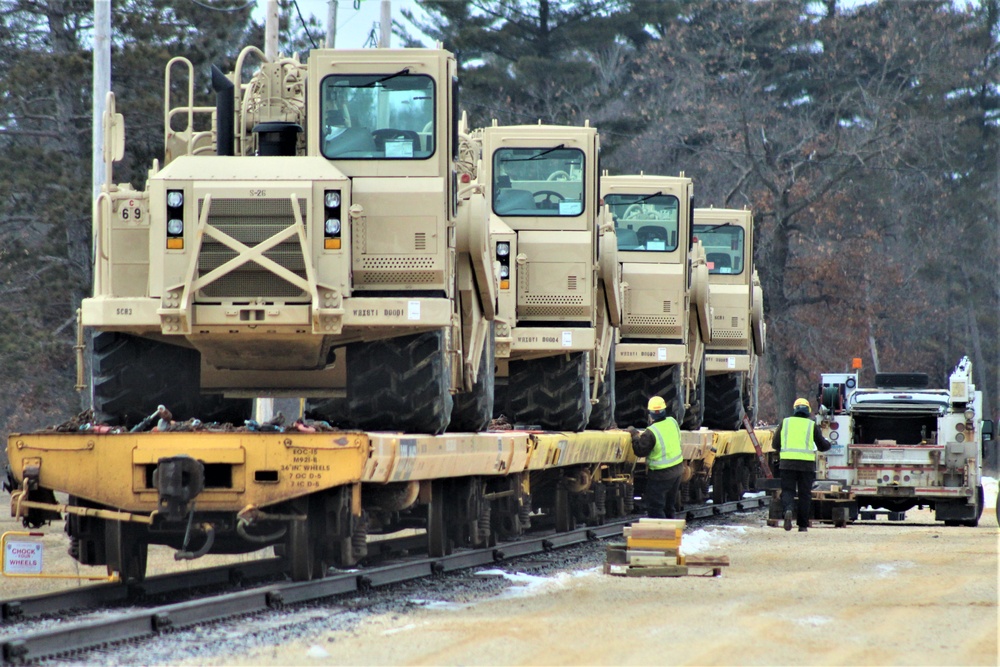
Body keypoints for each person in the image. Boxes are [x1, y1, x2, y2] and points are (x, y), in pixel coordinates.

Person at [773, 397, 832, 532]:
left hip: (787, 464)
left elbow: (775, 444)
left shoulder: (785, 423)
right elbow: (822, 446)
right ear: (808, 411)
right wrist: (829, 444)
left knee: (788, 490)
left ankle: (788, 510)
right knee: (805, 494)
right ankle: (803, 525)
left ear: (794, 410)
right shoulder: (811, 425)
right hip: (806, 465)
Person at [627, 396, 685, 519]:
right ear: (664, 410)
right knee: (669, 506)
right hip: (678, 470)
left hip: (661, 474)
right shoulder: (672, 422)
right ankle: (672, 534)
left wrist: (634, 435)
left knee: (655, 507)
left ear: (650, 414)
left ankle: (662, 535)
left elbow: (640, 451)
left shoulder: (651, 432)